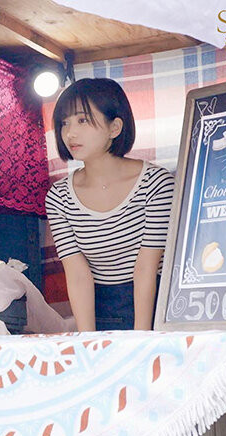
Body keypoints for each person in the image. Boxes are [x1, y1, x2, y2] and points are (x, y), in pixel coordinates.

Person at [45, 78, 175, 331]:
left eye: (82, 120)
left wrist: (141, 337)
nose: (70, 133)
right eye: (64, 123)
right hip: (100, 312)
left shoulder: (156, 183)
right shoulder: (59, 197)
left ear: (114, 127)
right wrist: (88, 340)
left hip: (157, 309)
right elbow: (78, 275)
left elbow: (146, 268)